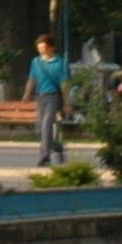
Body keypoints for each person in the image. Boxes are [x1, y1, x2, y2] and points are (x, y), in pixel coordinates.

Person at [29, 32, 72, 167]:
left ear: (52, 47)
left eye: (44, 47)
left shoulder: (61, 63)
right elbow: (32, 79)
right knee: (40, 129)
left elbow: (64, 84)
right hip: (40, 96)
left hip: (54, 96)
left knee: (47, 125)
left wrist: (67, 102)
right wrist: (26, 93)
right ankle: (57, 147)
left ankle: (44, 155)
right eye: (39, 48)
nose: (42, 50)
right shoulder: (36, 62)